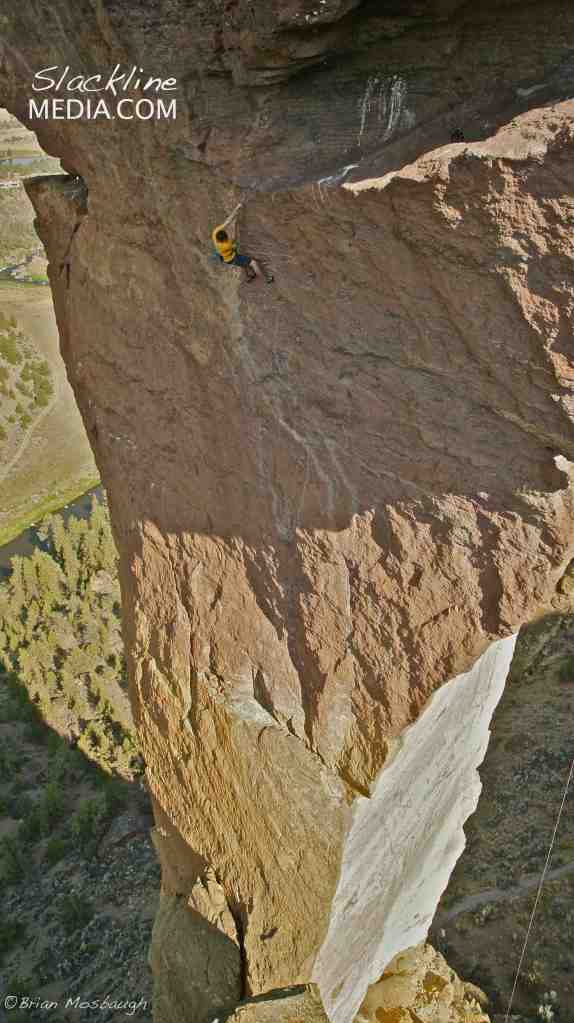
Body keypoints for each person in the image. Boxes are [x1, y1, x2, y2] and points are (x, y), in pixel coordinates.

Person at [211, 203, 273, 283]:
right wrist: (236, 225)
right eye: (226, 238)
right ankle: (267, 279)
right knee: (253, 263)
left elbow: (228, 221)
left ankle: (249, 275)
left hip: (225, 255)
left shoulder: (215, 232)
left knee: (243, 263)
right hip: (231, 258)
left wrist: (236, 209)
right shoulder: (226, 245)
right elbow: (235, 240)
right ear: (224, 239)